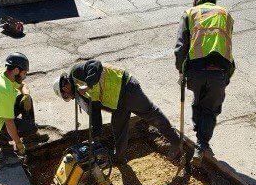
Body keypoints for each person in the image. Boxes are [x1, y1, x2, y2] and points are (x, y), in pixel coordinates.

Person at [53, 60, 181, 164]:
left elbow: (95, 65)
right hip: (117, 103)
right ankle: (119, 158)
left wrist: (89, 84)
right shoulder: (80, 95)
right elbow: (95, 113)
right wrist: (95, 138)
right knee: (118, 127)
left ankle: (176, 143)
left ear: (65, 87)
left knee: (152, 115)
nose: (71, 97)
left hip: (127, 88)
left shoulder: (76, 72)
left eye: (67, 95)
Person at [174, 0, 235, 166]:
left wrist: (181, 71)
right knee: (209, 108)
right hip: (220, 71)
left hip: (196, 70)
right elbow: (228, 42)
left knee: (198, 100)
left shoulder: (190, 13)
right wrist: (228, 74)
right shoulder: (225, 14)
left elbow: (180, 48)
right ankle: (202, 143)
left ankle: (199, 134)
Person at [0, 53, 38, 154]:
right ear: (16, 70)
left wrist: (26, 95)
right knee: (32, 128)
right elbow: (9, 122)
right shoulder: (3, 90)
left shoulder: (3, 73)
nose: (25, 76)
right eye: (24, 73)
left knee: (25, 99)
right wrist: (18, 143)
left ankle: (27, 133)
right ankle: (1, 140)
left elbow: (22, 85)